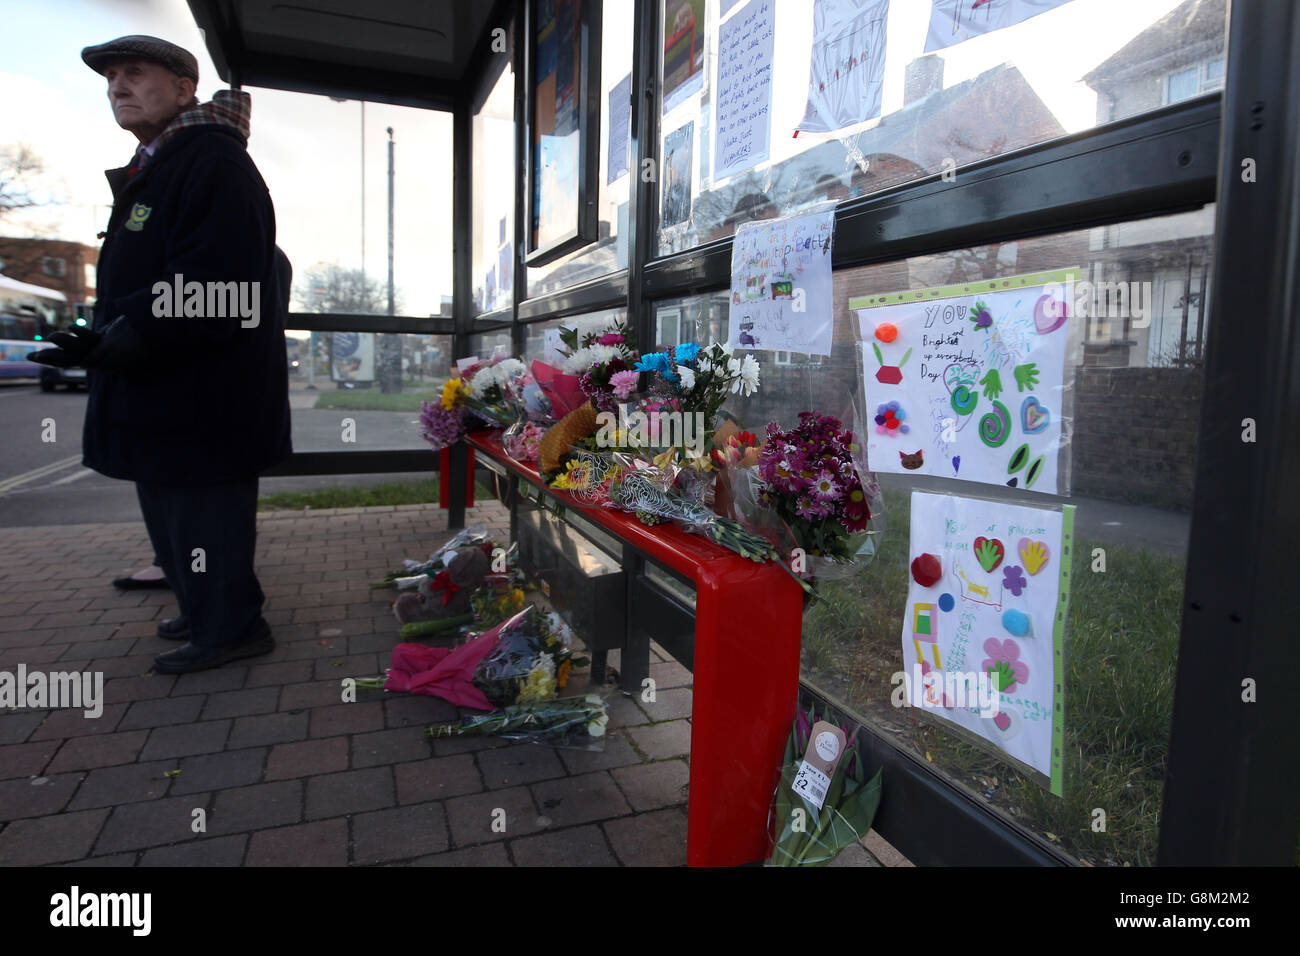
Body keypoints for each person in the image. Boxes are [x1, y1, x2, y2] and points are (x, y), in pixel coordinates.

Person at [32, 35, 292, 674]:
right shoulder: (164, 162)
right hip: (166, 384)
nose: (118, 86)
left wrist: (131, 330)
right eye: (112, 77)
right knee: (173, 513)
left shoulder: (211, 160)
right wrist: (104, 337)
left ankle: (232, 626)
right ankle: (204, 607)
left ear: (183, 88)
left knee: (204, 515)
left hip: (204, 394)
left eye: (136, 73)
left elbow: (220, 280)